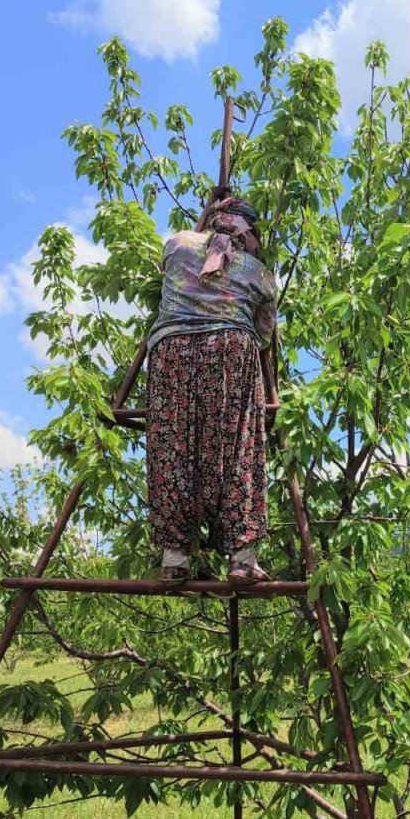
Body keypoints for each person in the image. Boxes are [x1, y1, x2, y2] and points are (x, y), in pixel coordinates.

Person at [145, 196, 277, 586]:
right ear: (248, 234)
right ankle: (241, 558)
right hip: (230, 352)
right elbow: (264, 336)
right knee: (238, 450)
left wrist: (203, 220)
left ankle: (174, 559)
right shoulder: (258, 272)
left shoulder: (177, 244)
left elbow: (177, 258)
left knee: (172, 450)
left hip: (172, 354)